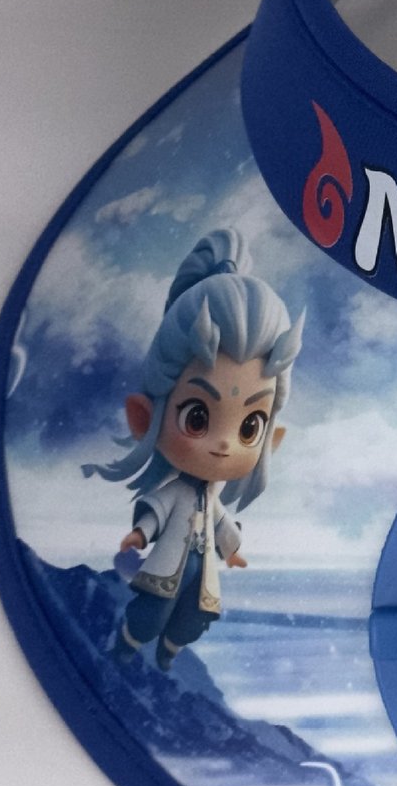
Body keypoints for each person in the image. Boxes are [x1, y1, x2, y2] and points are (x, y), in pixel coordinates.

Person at [83, 229, 303, 671]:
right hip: (167, 568)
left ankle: (170, 651)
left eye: (249, 427)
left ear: (270, 439)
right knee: (151, 614)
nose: (223, 444)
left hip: (201, 575)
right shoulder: (179, 491)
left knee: (195, 617)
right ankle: (128, 645)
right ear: (144, 418)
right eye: (197, 418)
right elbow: (158, 509)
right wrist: (140, 533)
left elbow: (221, 523)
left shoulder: (212, 499)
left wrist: (232, 549)